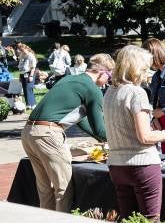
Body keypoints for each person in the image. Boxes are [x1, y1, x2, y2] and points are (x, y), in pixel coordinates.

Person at [20, 53, 114, 212]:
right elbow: (99, 128)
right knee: (63, 188)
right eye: (110, 76)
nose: (108, 81)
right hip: (48, 134)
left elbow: (81, 120)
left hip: (29, 131)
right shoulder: (92, 89)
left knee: (45, 189)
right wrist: (118, 140)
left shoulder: (69, 79)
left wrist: (101, 137)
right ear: (102, 72)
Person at [103, 46, 165, 220]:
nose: (146, 74)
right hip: (142, 163)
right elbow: (145, 136)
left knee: (129, 220)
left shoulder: (109, 92)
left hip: (116, 165)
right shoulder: (136, 93)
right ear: (136, 68)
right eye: (144, 69)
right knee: (150, 222)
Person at [16, 43, 38, 109]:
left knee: (29, 88)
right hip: (23, 74)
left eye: (22, 50)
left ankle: (33, 104)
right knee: (25, 89)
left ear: (26, 49)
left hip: (30, 73)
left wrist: (31, 76)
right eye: (21, 50)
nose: (22, 52)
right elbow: (21, 67)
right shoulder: (22, 55)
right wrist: (20, 76)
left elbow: (33, 67)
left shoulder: (31, 56)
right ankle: (28, 104)